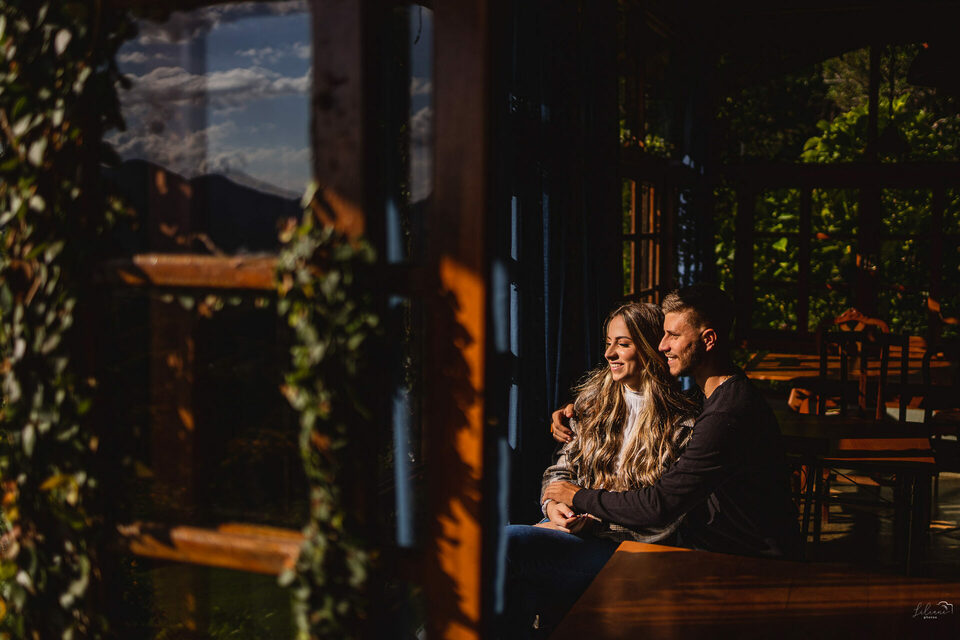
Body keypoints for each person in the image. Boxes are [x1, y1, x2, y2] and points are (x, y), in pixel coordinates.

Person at [545, 284, 801, 560]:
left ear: (709, 339)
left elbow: (659, 505)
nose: (662, 345)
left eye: (673, 335)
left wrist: (578, 497)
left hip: (741, 560)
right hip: (708, 551)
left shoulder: (723, 415)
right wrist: (573, 413)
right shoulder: (714, 399)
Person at [504, 302, 698, 638]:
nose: (609, 353)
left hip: (633, 551)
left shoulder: (682, 425)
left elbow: (667, 516)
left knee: (508, 546)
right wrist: (556, 508)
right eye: (607, 343)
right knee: (517, 577)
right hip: (573, 534)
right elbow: (558, 473)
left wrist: (591, 516)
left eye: (623, 344)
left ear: (652, 348)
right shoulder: (592, 405)